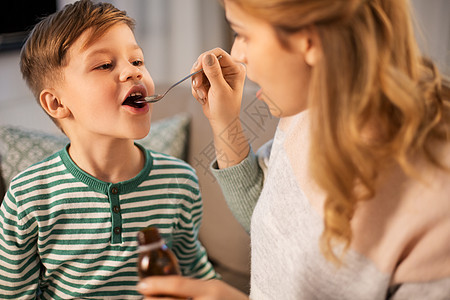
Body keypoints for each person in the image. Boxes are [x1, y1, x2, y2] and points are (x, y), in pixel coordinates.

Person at [138, 0, 450, 299]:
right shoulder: (306, 108)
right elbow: (273, 222)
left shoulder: (436, 200)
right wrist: (224, 121)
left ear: (309, 40)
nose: (237, 54)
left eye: (243, 33)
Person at [0, 0, 217, 298]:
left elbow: (195, 276)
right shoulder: (28, 198)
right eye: (104, 65)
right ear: (57, 103)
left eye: (137, 61)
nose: (132, 72)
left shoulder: (179, 181)